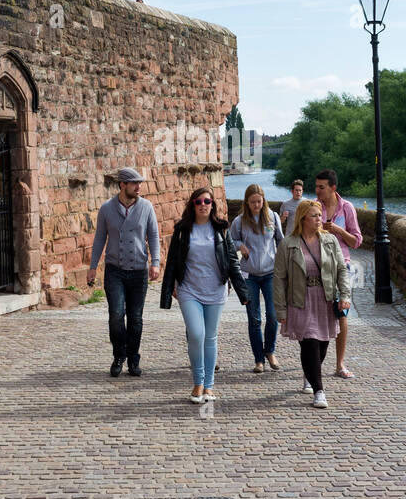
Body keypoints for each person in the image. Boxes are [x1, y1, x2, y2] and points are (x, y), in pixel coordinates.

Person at [160, 188, 247, 404]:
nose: (203, 204)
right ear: (193, 204)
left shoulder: (221, 229)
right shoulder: (182, 230)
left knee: (210, 337)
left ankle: (208, 385)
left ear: (212, 204)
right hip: (189, 289)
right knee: (196, 334)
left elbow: (231, 262)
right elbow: (171, 262)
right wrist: (168, 291)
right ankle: (197, 381)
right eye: (198, 201)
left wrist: (242, 291)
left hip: (215, 289)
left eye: (207, 201)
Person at [275, 199, 350, 409]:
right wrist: (280, 309)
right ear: (303, 218)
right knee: (309, 342)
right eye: (314, 216)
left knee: (323, 344)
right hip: (300, 299)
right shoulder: (288, 244)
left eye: (320, 215)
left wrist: (345, 294)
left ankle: (309, 374)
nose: (319, 219)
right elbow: (279, 278)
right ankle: (319, 391)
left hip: (324, 297)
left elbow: (342, 270)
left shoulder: (330, 241)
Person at [88, 167, 161, 377]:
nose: (138, 187)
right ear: (122, 185)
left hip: (139, 271)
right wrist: (93, 267)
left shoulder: (146, 207)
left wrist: (155, 263)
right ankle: (119, 354)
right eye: (134, 183)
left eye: (140, 183)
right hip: (115, 271)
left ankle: (133, 357)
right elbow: (100, 238)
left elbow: (153, 236)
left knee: (136, 318)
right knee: (116, 316)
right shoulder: (107, 209)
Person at [229, 183, 284, 372]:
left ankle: (270, 350)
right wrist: (239, 246)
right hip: (249, 275)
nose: (256, 205)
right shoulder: (239, 221)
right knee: (254, 319)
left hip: (270, 273)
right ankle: (258, 359)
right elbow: (231, 240)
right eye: (252, 202)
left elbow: (281, 241)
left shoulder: (273, 217)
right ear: (247, 202)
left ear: (263, 200)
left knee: (273, 316)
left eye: (259, 201)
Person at [314, 168, 362, 379]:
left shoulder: (347, 208)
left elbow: (357, 241)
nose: (317, 191)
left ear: (333, 188)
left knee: (341, 312)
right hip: (317, 264)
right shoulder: (313, 207)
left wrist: (338, 230)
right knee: (316, 314)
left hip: (342, 265)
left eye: (321, 187)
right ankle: (314, 364)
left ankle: (340, 364)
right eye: (316, 186)